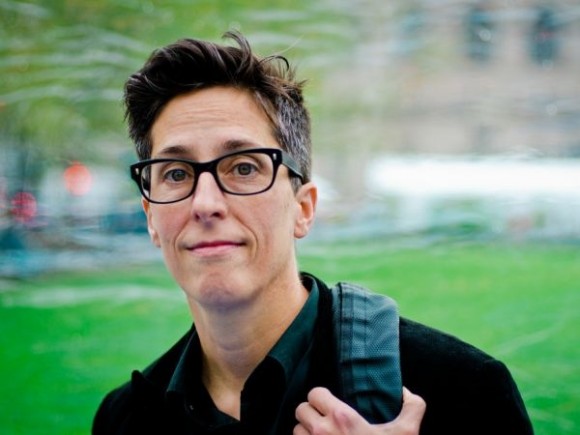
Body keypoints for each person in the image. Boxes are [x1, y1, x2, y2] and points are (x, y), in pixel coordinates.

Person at [93, 31, 533, 434]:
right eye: (175, 173)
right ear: (150, 216)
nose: (205, 203)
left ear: (303, 208)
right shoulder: (124, 419)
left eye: (243, 168)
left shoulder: (462, 391)